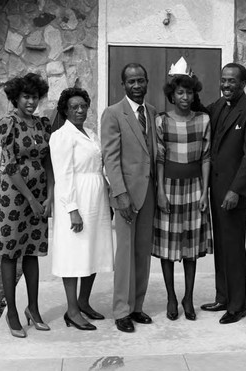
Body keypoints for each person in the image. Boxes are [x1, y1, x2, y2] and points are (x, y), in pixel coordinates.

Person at [200, 63, 246, 324]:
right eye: (223, 80)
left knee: (234, 248)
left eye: (232, 81)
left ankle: (237, 306)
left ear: (243, 83)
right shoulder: (218, 106)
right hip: (215, 190)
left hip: (232, 193)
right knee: (222, 247)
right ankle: (222, 297)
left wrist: (236, 190)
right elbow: (199, 112)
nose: (226, 85)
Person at [153, 58, 213, 321]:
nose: (185, 96)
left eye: (189, 92)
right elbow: (160, 158)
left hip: (194, 188)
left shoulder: (203, 120)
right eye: (180, 92)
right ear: (172, 95)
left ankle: (188, 297)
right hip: (169, 187)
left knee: (190, 246)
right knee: (168, 246)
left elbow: (207, 157)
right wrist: (160, 192)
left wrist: (204, 192)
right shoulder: (161, 121)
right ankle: (171, 297)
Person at [49, 88, 114, 331]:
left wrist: (109, 197)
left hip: (96, 198)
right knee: (74, 254)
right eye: (74, 107)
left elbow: (101, 167)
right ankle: (72, 310)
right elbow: (63, 175)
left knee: (93, 251)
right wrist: (72, 209)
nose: (79, 111)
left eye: (83, 106)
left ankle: (84, 301)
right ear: (65, 110)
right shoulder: (61, 136)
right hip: (76, 198)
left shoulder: (91, 133)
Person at [0, 72, 52, 338]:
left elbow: (48, 163)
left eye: (35, 97)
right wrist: (31, 198)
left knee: (32, 252)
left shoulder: (42, 124)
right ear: (16, 98)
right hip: (15, 198)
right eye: (26, 97)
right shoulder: (9, 124)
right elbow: (10, 165)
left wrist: (49, 196)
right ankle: (13, 313)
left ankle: (34, 308)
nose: (31, 102)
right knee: (10, 253)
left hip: (39, 196)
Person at [101, 63, 157, 333]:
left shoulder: (153, 112)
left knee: (142, 253)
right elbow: (110, 158)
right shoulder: (113, 113)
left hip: (149, 195)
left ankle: (137, 306)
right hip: (126, 196)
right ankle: (121, 310)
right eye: (131, 81)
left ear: (147, 82)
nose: (137, 85)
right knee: (124, 254)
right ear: (123, 85)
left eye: (141, 80)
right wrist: (120, 193)